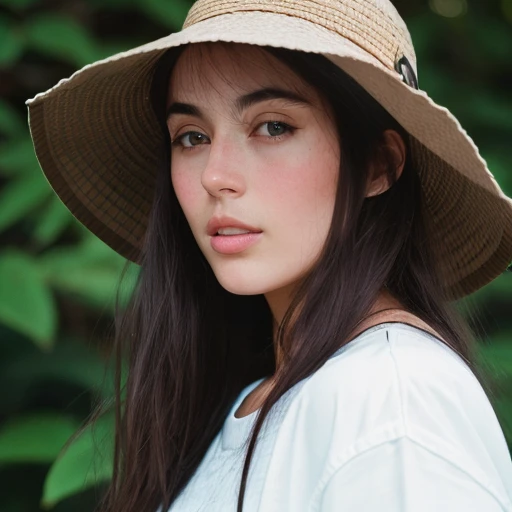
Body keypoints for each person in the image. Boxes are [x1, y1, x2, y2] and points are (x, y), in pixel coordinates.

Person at [26, 0, 512, 511]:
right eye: (191, 137)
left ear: (377, 164)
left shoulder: (391, 401)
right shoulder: (252, 402)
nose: (215, 175)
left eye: (273, 126)